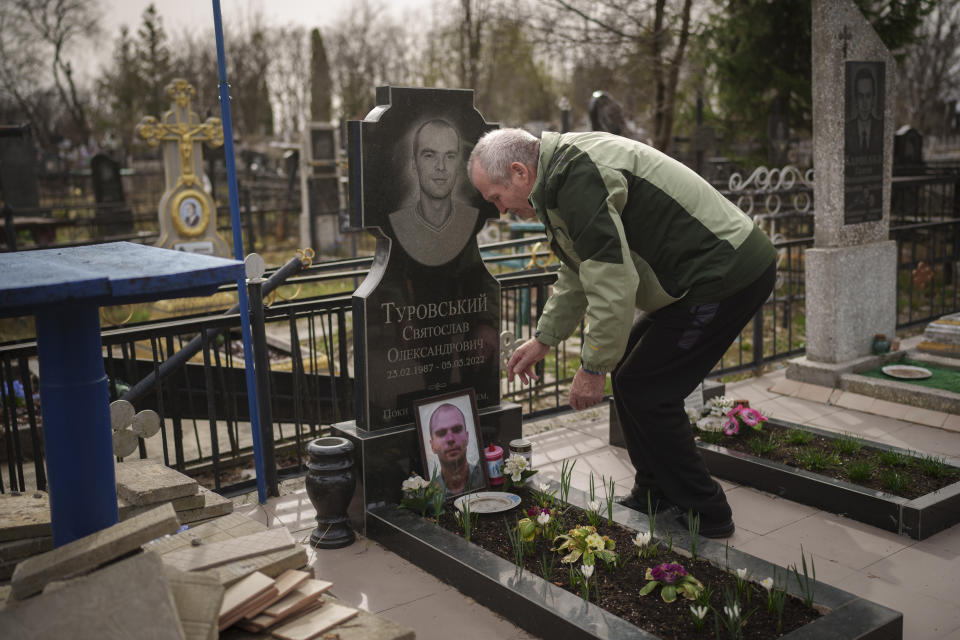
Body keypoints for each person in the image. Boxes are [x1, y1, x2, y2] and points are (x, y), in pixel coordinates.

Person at [468, 128, 777, 538]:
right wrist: (544, 340)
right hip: (701, 278)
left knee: (649, 387)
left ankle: (706, 508)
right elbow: (579, 270)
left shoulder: (576, 177)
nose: (502, 211)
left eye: (496, 198)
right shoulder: (559, 178)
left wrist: (593, 368)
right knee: (634, 374)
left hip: (726, 273)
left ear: (519, 172)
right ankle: (656, 491)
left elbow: (612, 282)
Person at [388, 119, 479, 267]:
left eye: (450, 156)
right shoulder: (398, 223)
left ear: (458, 164)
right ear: (414, 164)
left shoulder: (470, 218)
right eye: (429, 155)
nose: (441, 166)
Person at [428, 403, 485, 495]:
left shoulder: (483, 477)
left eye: (457, 429)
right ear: (432, 446)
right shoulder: (429, 493)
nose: (450, 439)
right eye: (441, 433)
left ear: (467, 437)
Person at [845, 66, 883, 156]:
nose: (864, 102)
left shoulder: (881, 127)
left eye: (868, 96)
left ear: (873, 98)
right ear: (856, 99)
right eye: (861, 96)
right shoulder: (847, 129)